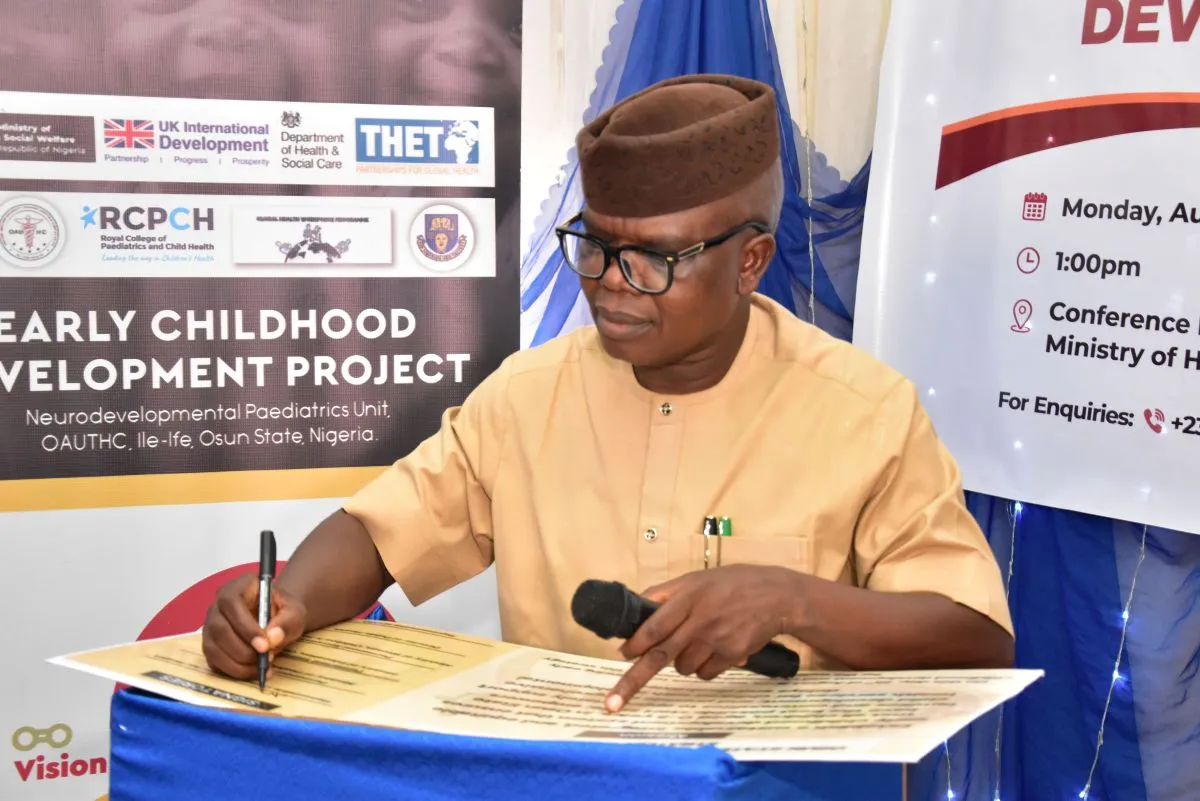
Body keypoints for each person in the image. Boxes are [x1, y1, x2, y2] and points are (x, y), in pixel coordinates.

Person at [201, 74, 1015, 713]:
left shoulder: (863, 411)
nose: (610, 286)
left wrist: (793, 601)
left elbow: (976, 635)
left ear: (751, 260)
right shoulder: (528, 396)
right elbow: (378, 536)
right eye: (595, 246)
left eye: (654, 259)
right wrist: (284, 607)